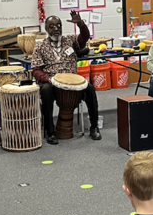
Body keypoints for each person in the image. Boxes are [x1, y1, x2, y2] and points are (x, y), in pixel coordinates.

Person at [31, 11, 101, 144]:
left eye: (59, 25)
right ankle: (50, 132)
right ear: (46, 29)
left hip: (72, 83)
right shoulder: (40, 46)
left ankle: (94, 127)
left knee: (90, 88)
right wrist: (48, 79)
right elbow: (36, 71)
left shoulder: (70, 40)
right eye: (52, 26)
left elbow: (84, 37)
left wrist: (80, 24)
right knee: (45, 90)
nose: (56, 28)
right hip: (52, 82)